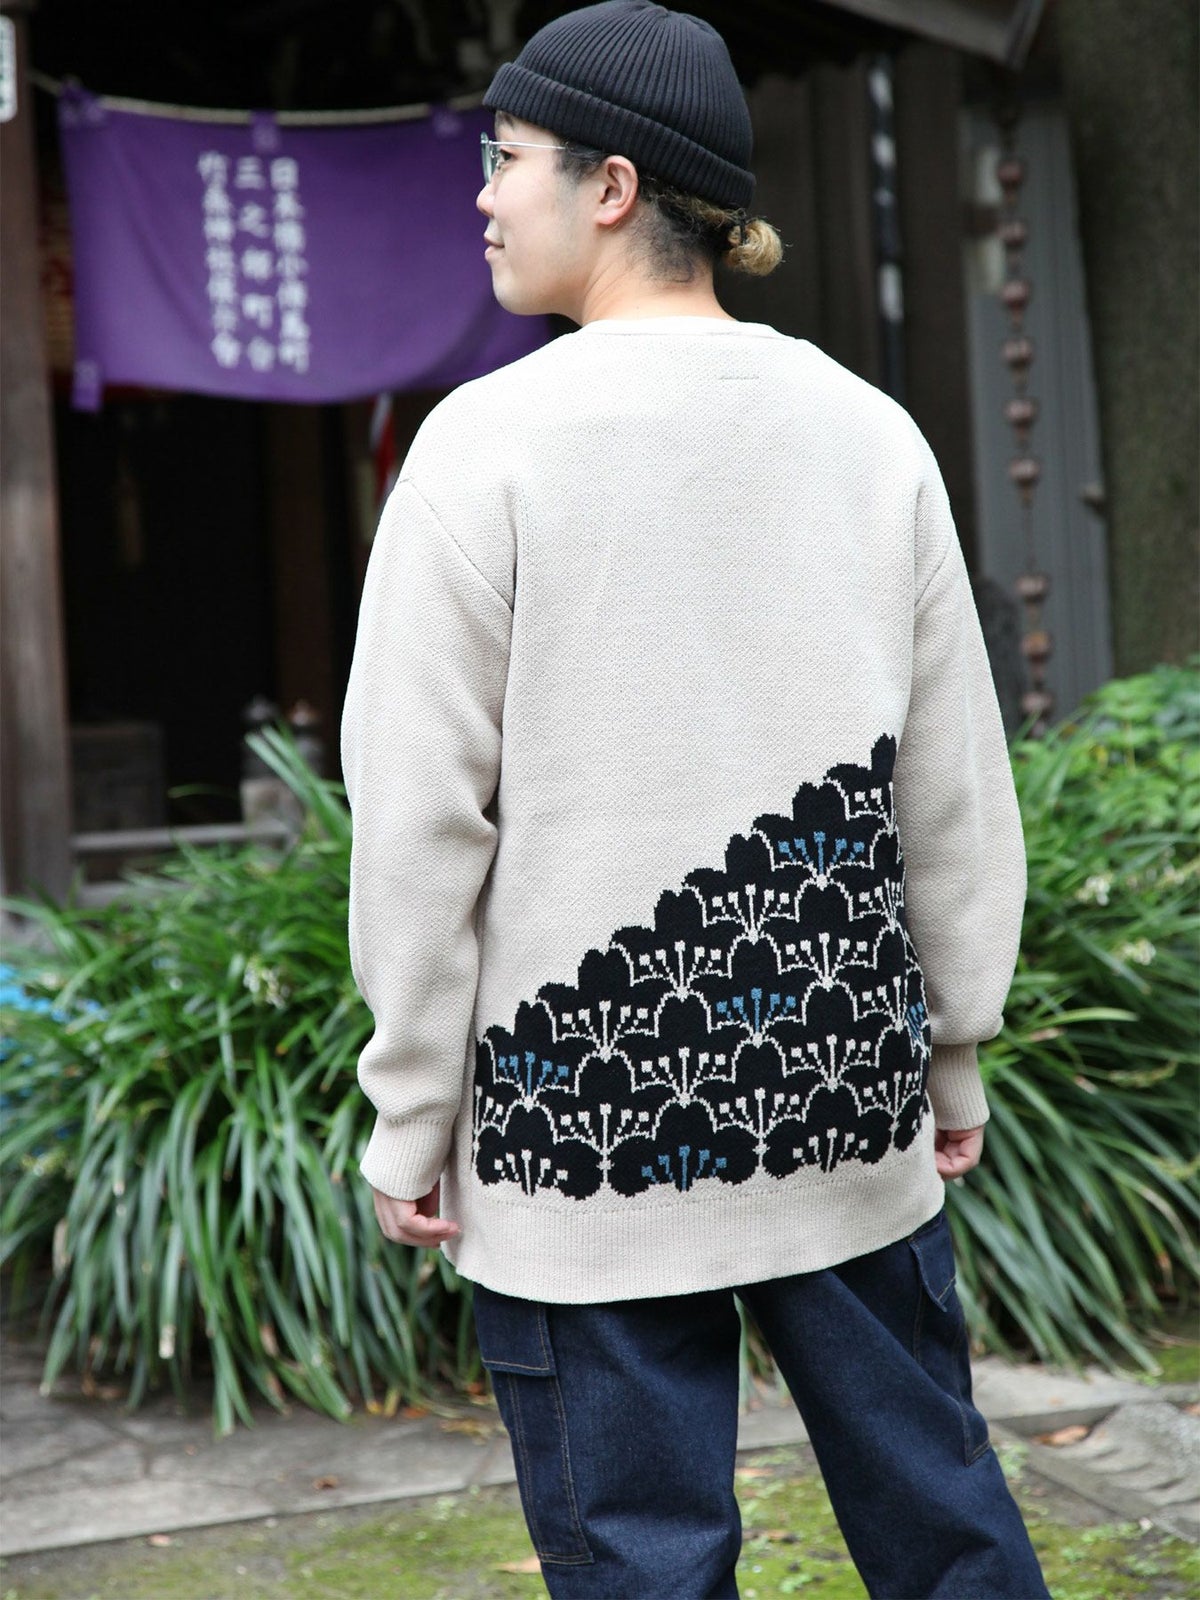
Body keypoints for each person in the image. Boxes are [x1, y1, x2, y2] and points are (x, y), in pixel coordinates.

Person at [339, 3, 1051, 1595]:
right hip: (842, 1085)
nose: (483, 195)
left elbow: (420, 818)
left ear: (610, 187)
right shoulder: (868, 434)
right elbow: (949, 780)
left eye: (505, 157)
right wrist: (953, 1045)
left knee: (640, 1565)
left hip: (579, 1127)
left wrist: (413, 1116)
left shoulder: (484, 449)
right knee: (944, 1531)